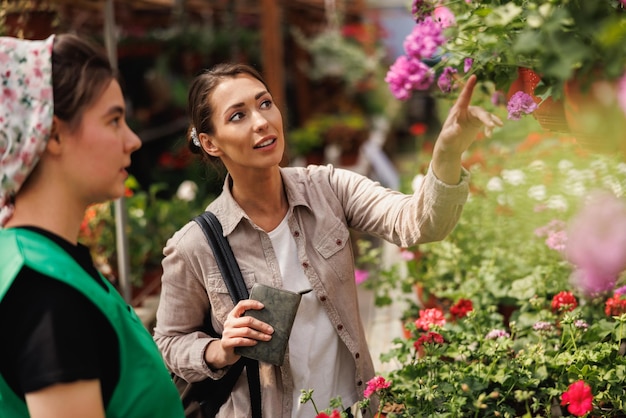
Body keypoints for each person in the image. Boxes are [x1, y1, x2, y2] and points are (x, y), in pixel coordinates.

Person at [153, 63, 503, 418]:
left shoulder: (328, 188)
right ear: (210, 142)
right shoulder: (194, 245)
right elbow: (168, 342)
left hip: (352, 408)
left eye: (265, 104)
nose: (261, 122)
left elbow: (417, 223)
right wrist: (220, 350)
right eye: (238, 115)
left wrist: (446, 153)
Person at [0, 34, 185, 418]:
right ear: (50, 134)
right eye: (114, 120)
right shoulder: (46, 295)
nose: (133, 140)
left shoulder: (37, 260)